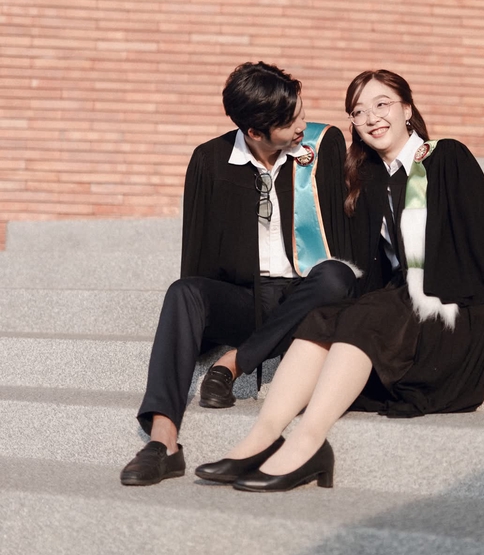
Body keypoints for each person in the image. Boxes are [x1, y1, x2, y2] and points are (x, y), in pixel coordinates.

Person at [194, 69, 484, 491]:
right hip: (401, 311)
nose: (371, 118)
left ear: (407, 109)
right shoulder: (366, 178)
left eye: (382, 104)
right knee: (327, 316)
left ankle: (309, 444)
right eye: (359, 111)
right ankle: (261, 438)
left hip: (452, 313)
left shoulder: (447, 158)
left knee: (366, 317)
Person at [120, 61, 358, 486]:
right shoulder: (210, 160)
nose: (303, 125)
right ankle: (163, 441)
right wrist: (199, 329)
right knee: (184, 292)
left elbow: (344, 238)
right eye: (291, 122)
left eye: (301, 112)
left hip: (307, 296)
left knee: (336, 277)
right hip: (247, 298)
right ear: (254, 132)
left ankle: (234, 363)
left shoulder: (323, 146)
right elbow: (197, 256)